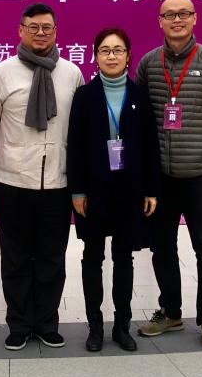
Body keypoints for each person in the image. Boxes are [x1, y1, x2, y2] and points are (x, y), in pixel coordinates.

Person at [135, 0, 202, 349]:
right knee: (162, 246)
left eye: (183, 14)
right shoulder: (149, 63)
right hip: (160, 177)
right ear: (160, 21)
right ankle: (170, 310)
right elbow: (141, 113)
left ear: (195, 18)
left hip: (200, 175)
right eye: (169, 15)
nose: (176, 20)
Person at [0, 3, 85, 350]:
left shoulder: (71, 73)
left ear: (56, 31)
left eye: (47, 28)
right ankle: (18, 324)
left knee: (51, 259)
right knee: (14, 258)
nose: (40, 33)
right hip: (12, 180)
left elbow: (78, 129)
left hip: (57, 182)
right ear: (20, 30)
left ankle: (46, 322)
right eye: (33, 27)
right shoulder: (1, 73)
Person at [67, 27, 161, 352]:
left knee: (124, 258)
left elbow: (150, 146)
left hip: (130, 190)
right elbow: (75, 146)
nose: (111, 56)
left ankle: (122, 326)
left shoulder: (140, 96)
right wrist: (77, 191)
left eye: (118, 50)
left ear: (128, 56)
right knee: (92, 257)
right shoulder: (84, 96)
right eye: (105, 50)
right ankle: (95, 327)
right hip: (93, 190)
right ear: (95, 56)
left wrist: (151, 190)